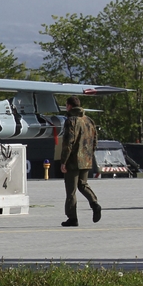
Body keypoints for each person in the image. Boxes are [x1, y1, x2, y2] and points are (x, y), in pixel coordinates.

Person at [59, 96, 102, 227]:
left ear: (69, 106)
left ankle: (72, 218)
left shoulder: (71, 121)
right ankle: (95, 204)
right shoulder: (89, 121)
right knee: (83, 185)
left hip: (73, 161)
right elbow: (95, 141)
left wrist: (63, 161)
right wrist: (89, 155)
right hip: (86, 159)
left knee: (71, 191)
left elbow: (68, 143)